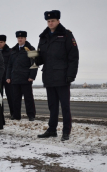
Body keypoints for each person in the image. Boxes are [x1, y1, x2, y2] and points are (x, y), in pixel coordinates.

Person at [35, 10, 79, 141]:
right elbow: (41, 57)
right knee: (52, 106)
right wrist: (34, 59)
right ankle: (52, 130)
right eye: (48, 21)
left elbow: (73, 57)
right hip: (49, 77)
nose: (50, 23)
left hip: (63, 77)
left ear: (58, 21)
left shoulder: (66, 35)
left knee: (65, 106)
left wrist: (71, 75)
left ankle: (66, 131)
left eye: (52, 21)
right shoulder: (43, 37)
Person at [6, 31, 37, 121]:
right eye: (19, 38)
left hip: (26, 78)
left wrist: (32, 76)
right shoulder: (13, 50)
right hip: (15, 78)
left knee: (28, 98)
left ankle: (31, 115)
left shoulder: (31, 49)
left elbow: (34, 64)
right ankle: (16, 115)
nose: (20, 39)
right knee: (15, 98)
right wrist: (8, 77)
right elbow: (9, 65)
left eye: (22, 38)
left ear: (25, 38)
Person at [0, 35, 14, 117]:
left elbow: (12, 65)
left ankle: (13, 114)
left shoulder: (10, 52)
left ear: (5, 42)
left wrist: (9, 76)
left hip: (7, 78)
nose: (0, 44)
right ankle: (0, 114)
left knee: (10, 96)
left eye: (1, 42)